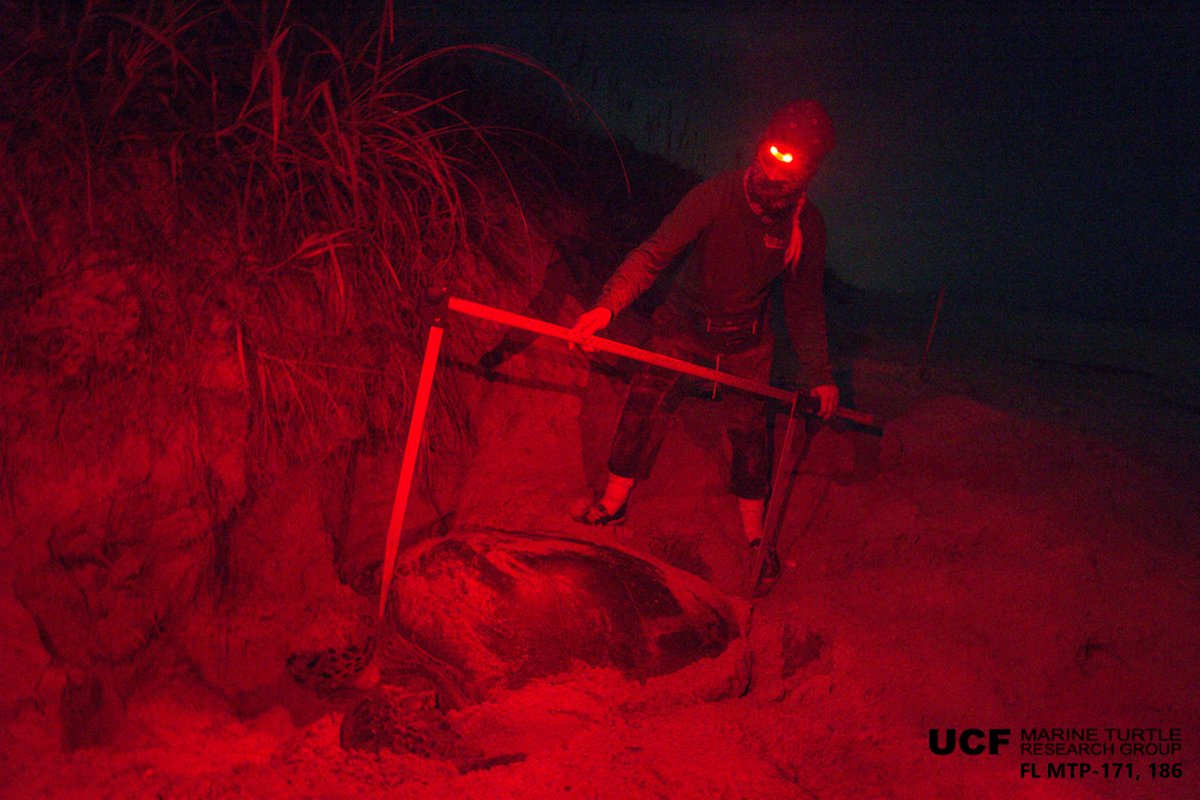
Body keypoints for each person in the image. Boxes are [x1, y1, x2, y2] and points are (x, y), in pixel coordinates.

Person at [568, 99, 840, 582]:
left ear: (808, 173)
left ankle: (755, 537)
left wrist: (819, 375)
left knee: (750, 433)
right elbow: (652, 254)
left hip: (747, 341)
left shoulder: (807, 226)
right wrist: (607, 306)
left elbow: (803, 307)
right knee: (644, 402)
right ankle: (612, 504)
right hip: (683, 326)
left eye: (788, 167)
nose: (771, 175)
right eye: (768, 155)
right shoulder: (715, 196)